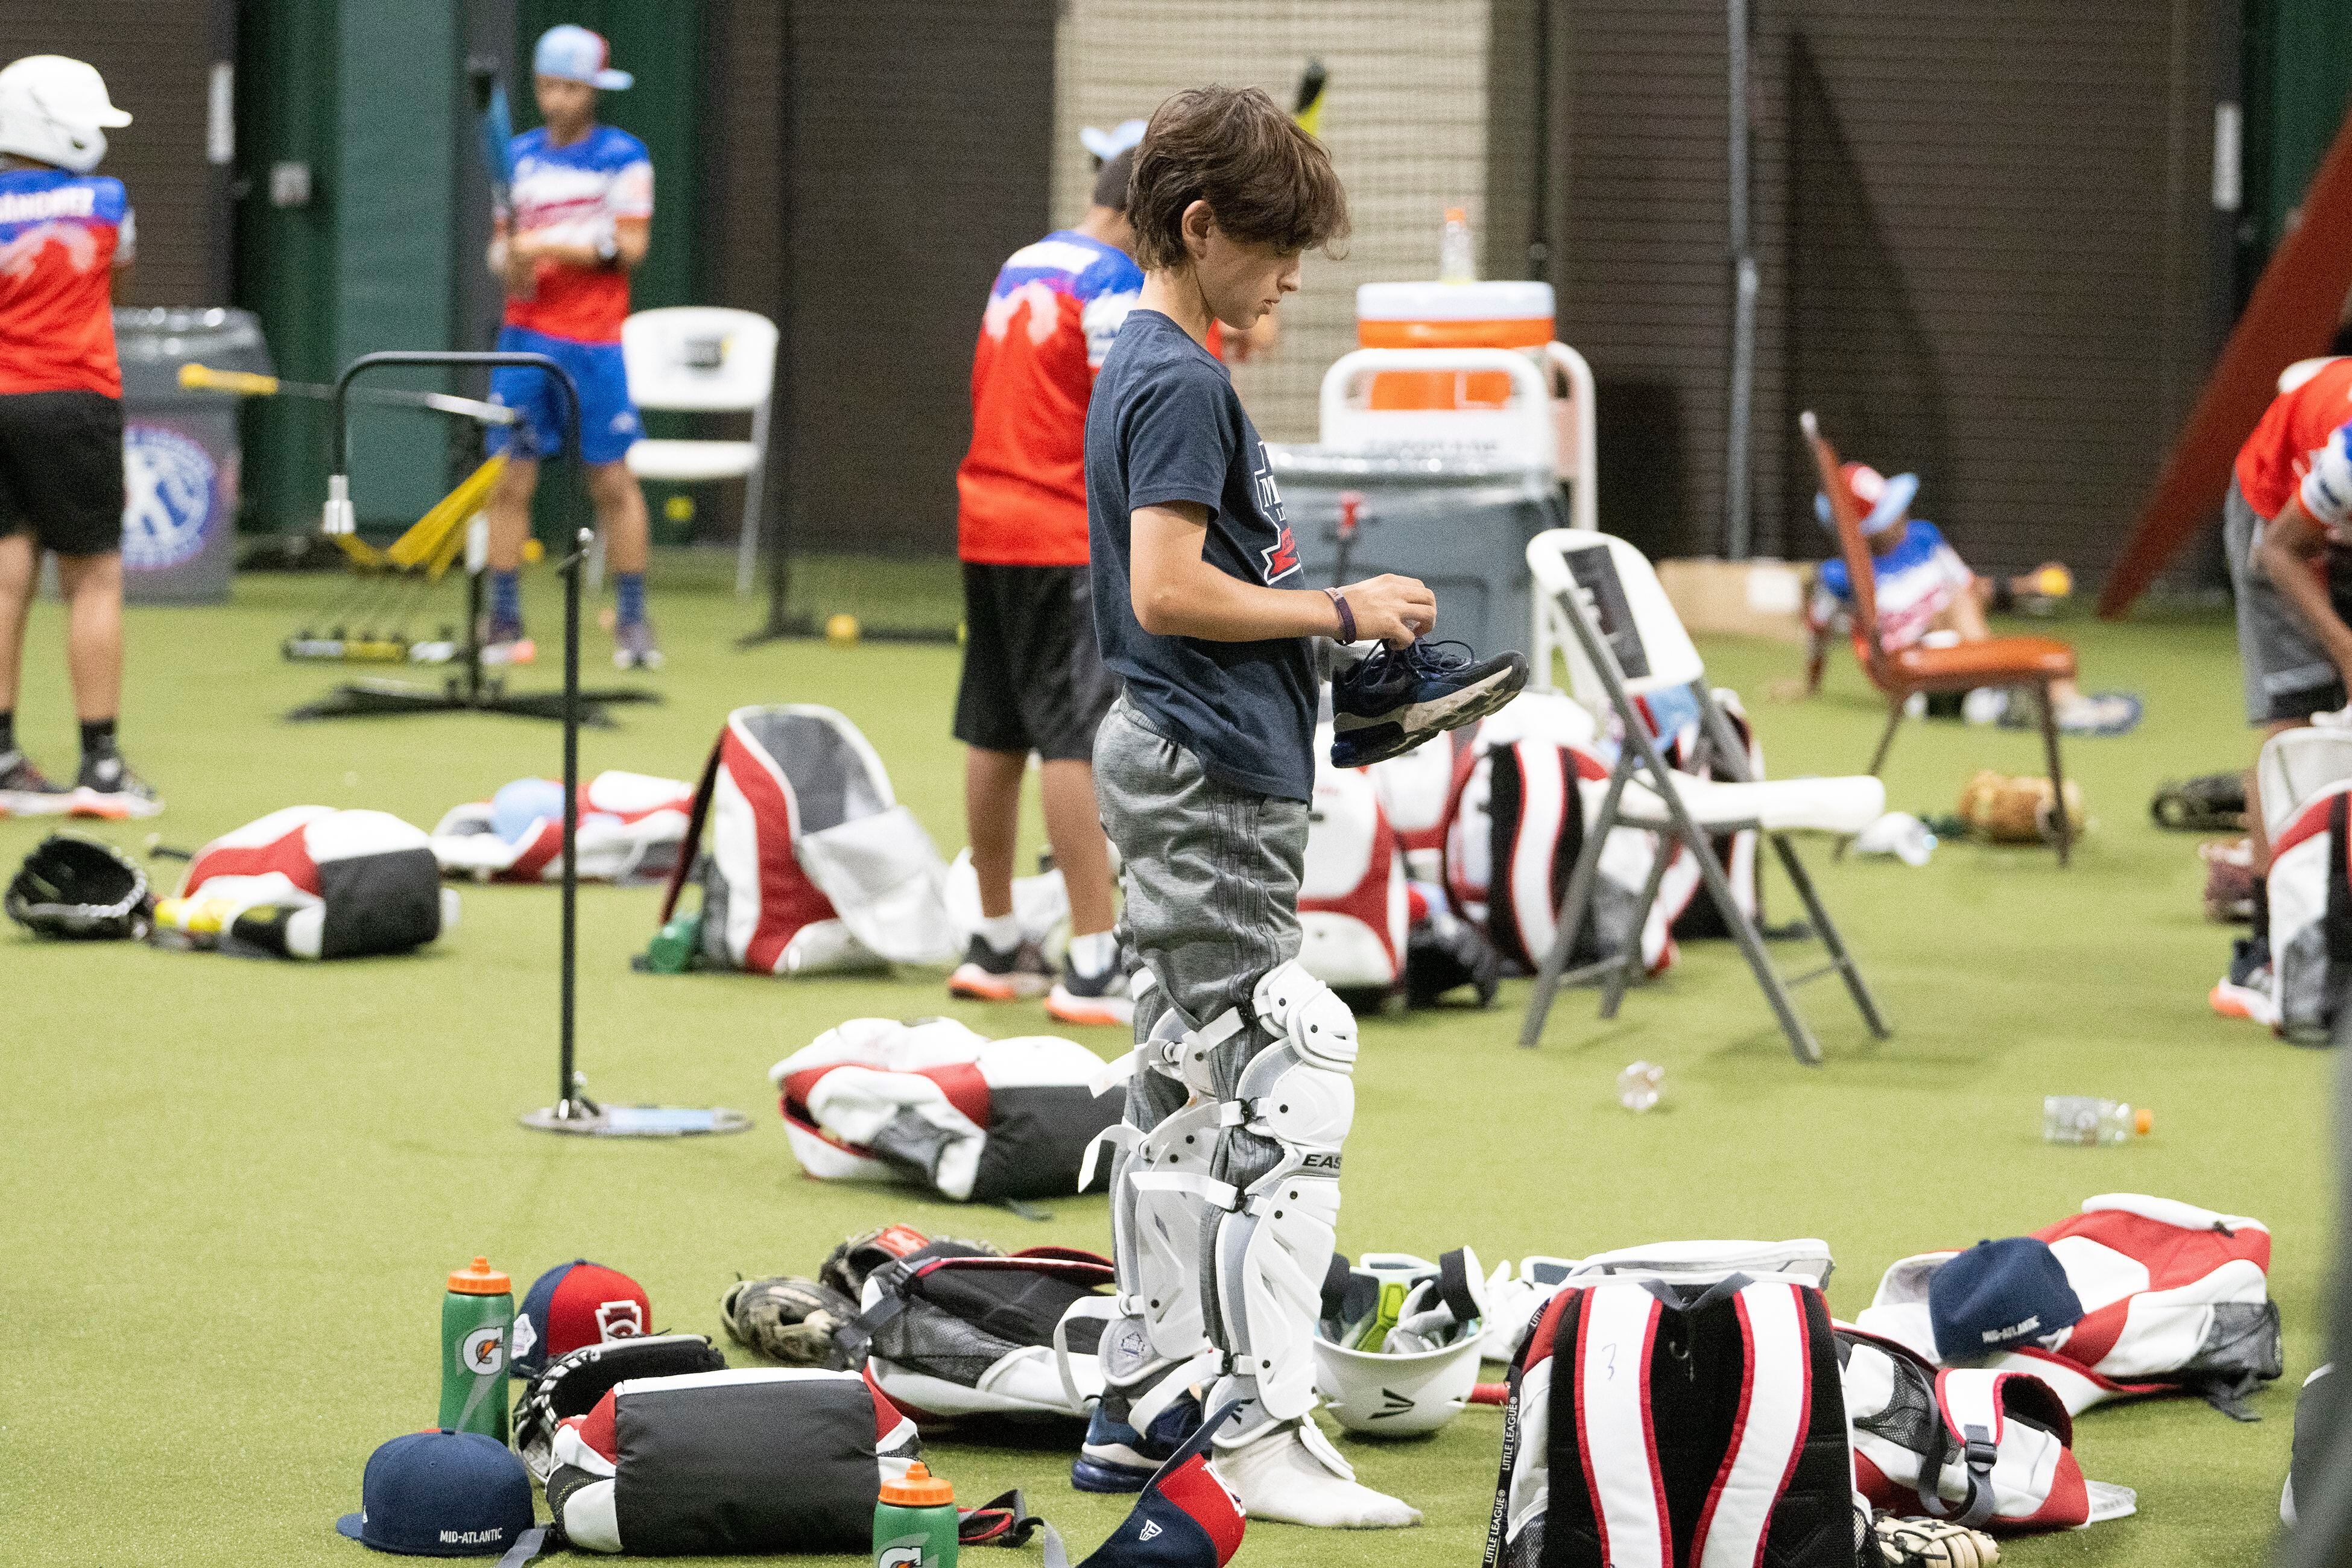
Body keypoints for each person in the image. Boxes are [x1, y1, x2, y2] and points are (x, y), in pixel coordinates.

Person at [1078, 84, 1521, 1531]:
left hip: (1212, 753)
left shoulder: (1159, 363)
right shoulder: (1178, 378)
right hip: (1203, 762)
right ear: (1199, 228)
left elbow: (1189, 594)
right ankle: (1252, 1422)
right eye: (1271, 253)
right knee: (1271, 1077)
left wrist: (1335, 645)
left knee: (1184, 1089)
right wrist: (1336, 601)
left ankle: (1144, 1398)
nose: (1285, 282)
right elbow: (1164, 590)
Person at [947, 147, 1143, 1025]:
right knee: (1074, 735)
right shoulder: (1113, 283)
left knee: (996, 726)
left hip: (985, 519)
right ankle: (1096, 957)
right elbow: (1122, 414)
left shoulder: (1027, 259)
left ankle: (993, 941)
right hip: (1062, 532)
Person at [0, 55, 158, 820]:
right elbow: (114, 286)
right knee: (93, 577)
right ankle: (100, 765)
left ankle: (1, 759)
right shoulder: (107, 200)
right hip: (77, 398)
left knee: (4, 572)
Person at [481, 25, 657, 670]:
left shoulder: (624, 157)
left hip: (595, 344)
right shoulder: (520, 159)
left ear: (594, 91)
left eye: (571, 88)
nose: (558, 99)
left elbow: (629, 249)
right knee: (508, 480)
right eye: (549, 86)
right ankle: (501, 620)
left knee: (613, 481)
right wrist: (513, 264)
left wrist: (547, 246)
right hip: (525, 340)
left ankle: (634, 621)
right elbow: (503, 253)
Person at [1787, 459, 2140, 735]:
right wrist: (1809, 685)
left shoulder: (1924, 538)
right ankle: (2015, 689)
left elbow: (1973, 589)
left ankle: (2047, 700)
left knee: (1966, 606)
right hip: (1908, 673)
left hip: (1957, 654)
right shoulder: (1839, 576)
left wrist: (2027, 586)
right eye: (1888, 515)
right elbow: (1818, 631)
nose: (1900, 518)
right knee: (1958, 604)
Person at [2213, 356, 2352, 1020]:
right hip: (2277, 515)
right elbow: (2280, 549)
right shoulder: (2348, 455)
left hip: (2336, 521)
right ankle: (2266, 958)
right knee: (2296, 722)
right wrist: (2347, 650)